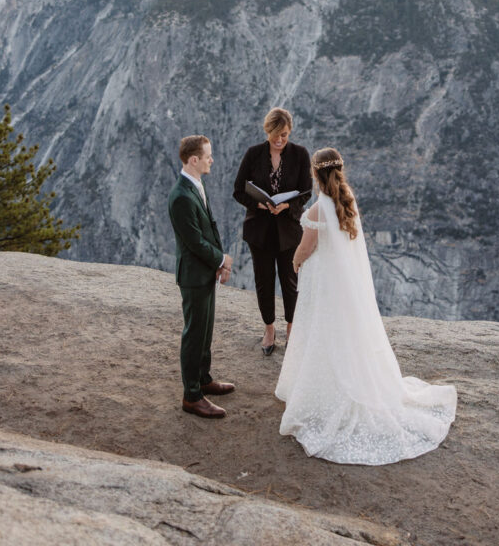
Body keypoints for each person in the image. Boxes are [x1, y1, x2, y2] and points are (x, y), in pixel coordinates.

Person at [275, 147, 457, 464]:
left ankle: (327, 392)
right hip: (343, 286)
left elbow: (306, 248)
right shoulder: (347, 200)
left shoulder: (319, 209)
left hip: (324, 284)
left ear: (315, 174)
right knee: (343, 336)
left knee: (322, 334)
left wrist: (294, 262)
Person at [233, 108, 312, 355]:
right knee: (264, 281)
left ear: (290, 133)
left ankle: (291, 328)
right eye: (275, 135)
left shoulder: (300, 154)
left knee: (291, 281)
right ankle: (269, 328)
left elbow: (306, 191)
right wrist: (258, 203)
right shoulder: (253, 154)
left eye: (284, 135)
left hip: (289, 230)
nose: (279, 140)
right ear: (267, 132)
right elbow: (238, 190)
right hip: (260, 231)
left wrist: (288, 205)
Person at [168, 135, 235, 418]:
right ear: (193, 160)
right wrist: (222, 259)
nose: (212, 159)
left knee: (205, 330)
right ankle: (192, 396)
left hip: (205, 272)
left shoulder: (196, 184)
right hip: (193, 276)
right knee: (194, 333)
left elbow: (210, 226)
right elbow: (194, 241)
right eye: (208, 155)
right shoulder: (181, 196)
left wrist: (218, 263)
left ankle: (204, 379)